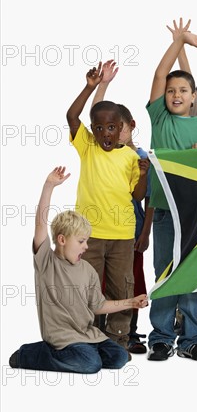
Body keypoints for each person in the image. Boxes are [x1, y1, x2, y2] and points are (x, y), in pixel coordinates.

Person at [9, 167, 148, 373]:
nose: (86, 246)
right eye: (81, 241)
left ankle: (87, 353)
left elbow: (98, 305)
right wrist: (49, 187)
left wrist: (131, 302)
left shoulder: (87, 269)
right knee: (90, 364)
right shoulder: (46, 262)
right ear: (62, 240)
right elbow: (40, 224)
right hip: (62, 339)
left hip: (88, 336)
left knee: (119, 357)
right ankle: (29, 354)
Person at [147, 18, 197, 362]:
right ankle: (160, 336)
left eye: (183, 91)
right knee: (163, 272)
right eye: (172, 91)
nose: (175, 94)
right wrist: (180, 41)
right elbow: (161, 74)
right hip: (164, 210)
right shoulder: (159, 119)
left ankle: (193, 337)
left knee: (193, 274)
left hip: (196, 215)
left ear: (194, 97)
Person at [66, 63, 149, 349]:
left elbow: (137, 195)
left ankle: (118, 339)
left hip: (122, 234)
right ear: (93, 130)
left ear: (121, 128)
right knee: (87, 287)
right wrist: (90, 87)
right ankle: (87, 337)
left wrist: (145, 173)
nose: (106, 133)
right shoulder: (87, 146)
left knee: (121, 287)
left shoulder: (129, 156)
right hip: (88, 234)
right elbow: (71, 115)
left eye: (112, 127)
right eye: (99, 128)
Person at [91, 62, 153, 354]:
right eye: (107, 127)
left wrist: (146, 232)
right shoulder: (99, 150)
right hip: (98, 230)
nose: (114, 132)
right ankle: (97, 333)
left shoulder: (139, 157)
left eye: (120, 127)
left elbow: (145, 197)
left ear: (128, 128)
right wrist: (102, 85)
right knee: (99, 282)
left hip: (129, 230)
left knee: (128, 281)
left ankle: (127, 333)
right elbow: (96, 113)